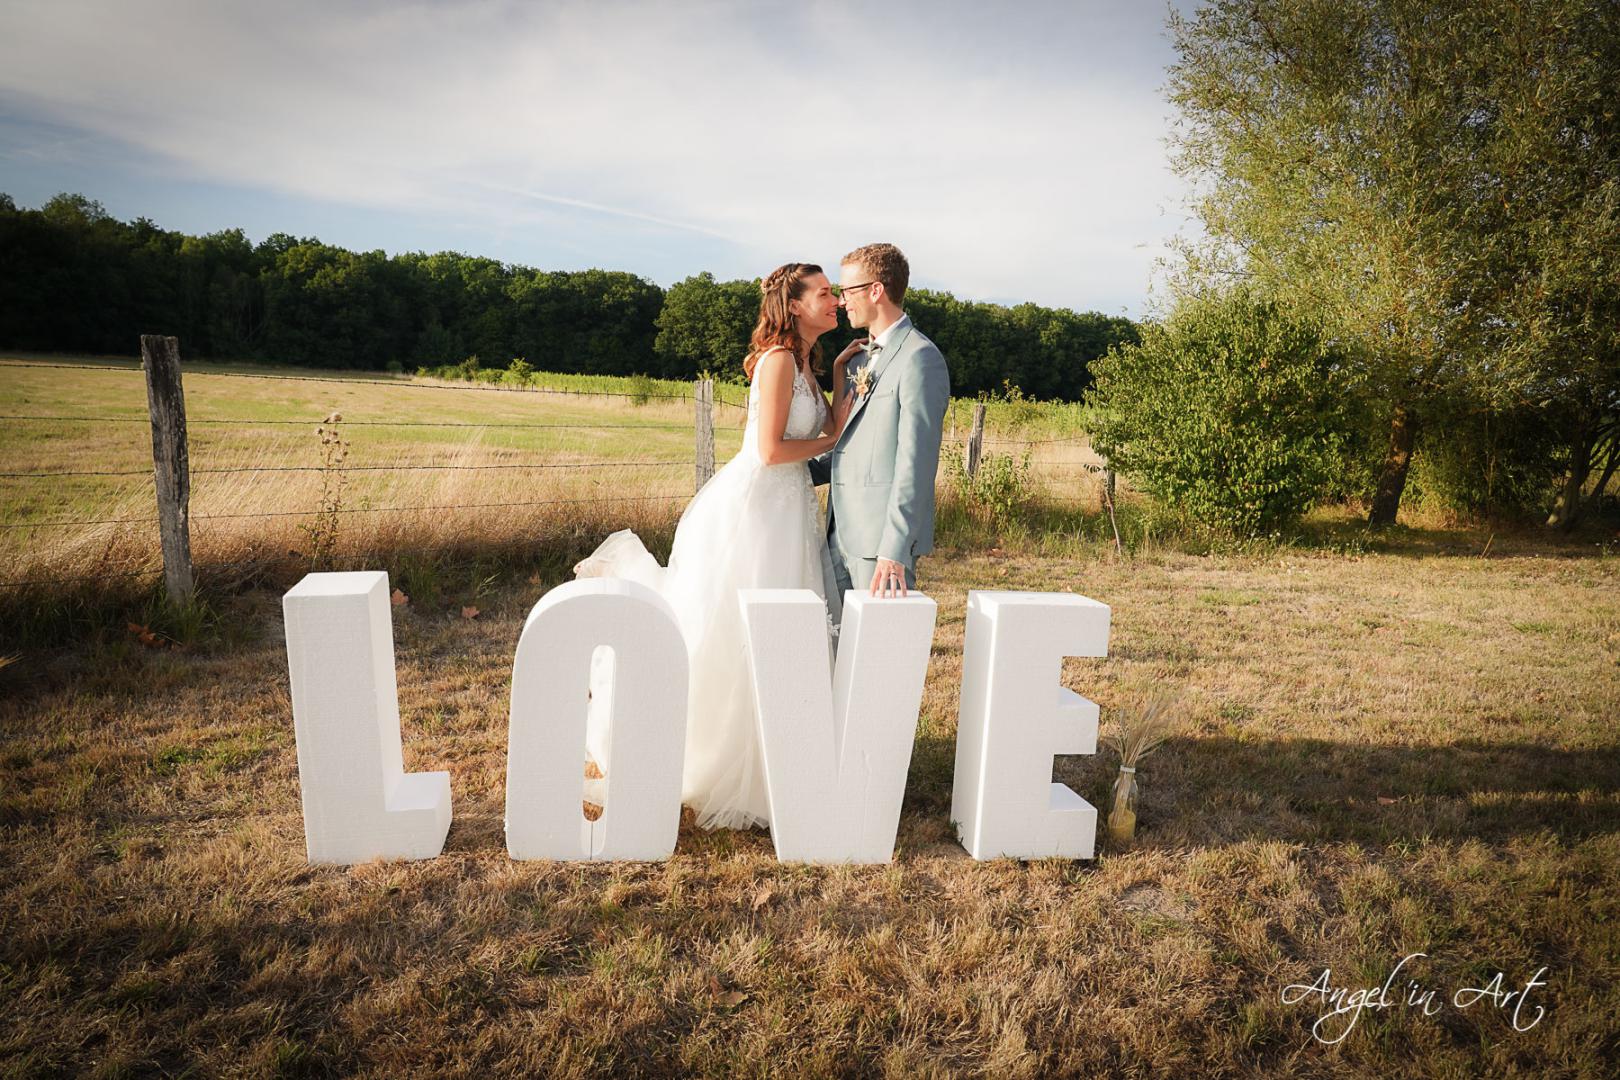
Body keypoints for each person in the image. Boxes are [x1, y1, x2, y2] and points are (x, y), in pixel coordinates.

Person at [572, 262, 862, 830]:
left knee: (781, 631)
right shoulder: (778, 361)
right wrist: (832, 437)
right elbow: (772, 451)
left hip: (789, 511)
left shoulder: (804, 360)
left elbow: (815, 428)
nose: (834, 301)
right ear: (795, 304)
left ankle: (779, 752)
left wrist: (835, 377)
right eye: (825, 293)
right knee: (730, 631)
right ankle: (712, 757)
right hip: (756, 511)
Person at [809, 243, 951, 601]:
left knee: (880, 652)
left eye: (847, 290)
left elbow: (915, 464)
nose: (841, 301)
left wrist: (895, 548)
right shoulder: (857, 360)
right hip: (837, 532)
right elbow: (854, 447)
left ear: (876, 290)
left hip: (879, 546)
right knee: (837, 650)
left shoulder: (920, 359)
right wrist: (784, 469)